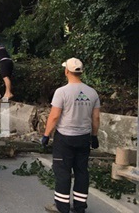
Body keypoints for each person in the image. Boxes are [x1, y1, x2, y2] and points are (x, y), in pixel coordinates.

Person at [42, 58, 100, 213]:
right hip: (83, 138)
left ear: (66, 71)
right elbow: (96, 118)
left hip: (65, 139)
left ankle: (62, 207)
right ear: (81, 72)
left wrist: (46, 135)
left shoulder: (61, 92)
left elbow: (54, 116)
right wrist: (94, 136)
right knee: (81, 171)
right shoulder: (92, 92)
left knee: (62, 172)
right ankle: (80, 207)